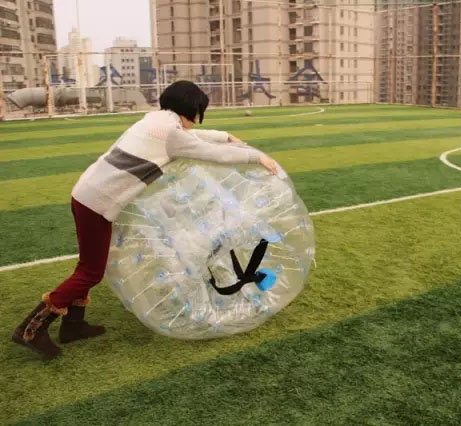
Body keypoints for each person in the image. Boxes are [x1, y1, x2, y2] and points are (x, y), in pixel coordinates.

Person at [11, 80, 279, 359]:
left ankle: (73, 326)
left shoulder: (155, 121)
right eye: (198, 113)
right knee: (91, 271)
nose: (197, 121)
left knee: (89, 266)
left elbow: (194, 138)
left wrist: (223, 136)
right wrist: (254, 156)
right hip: (96, 202)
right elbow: (209, 152)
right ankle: (30, 329)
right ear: (191, 109)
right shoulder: (172, 133)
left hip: (87, 194)